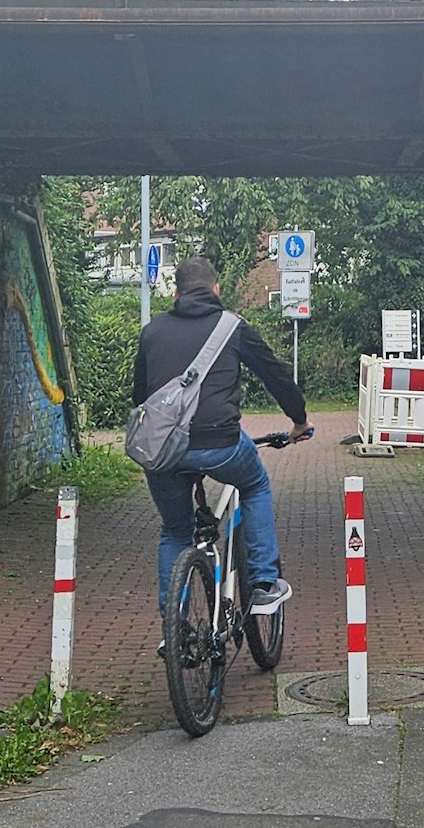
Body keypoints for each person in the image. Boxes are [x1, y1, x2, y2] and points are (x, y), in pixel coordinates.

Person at [133, 256, 309, 619]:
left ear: (176, 293)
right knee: (256, 484)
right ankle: (262, 584)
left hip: (164, 451)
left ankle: (174, 626)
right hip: (222, 446)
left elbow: (140, 397)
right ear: (216, 290)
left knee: (175, 530)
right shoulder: (233, 327)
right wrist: (299, 420)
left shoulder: (152, 332)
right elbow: (274, 375)